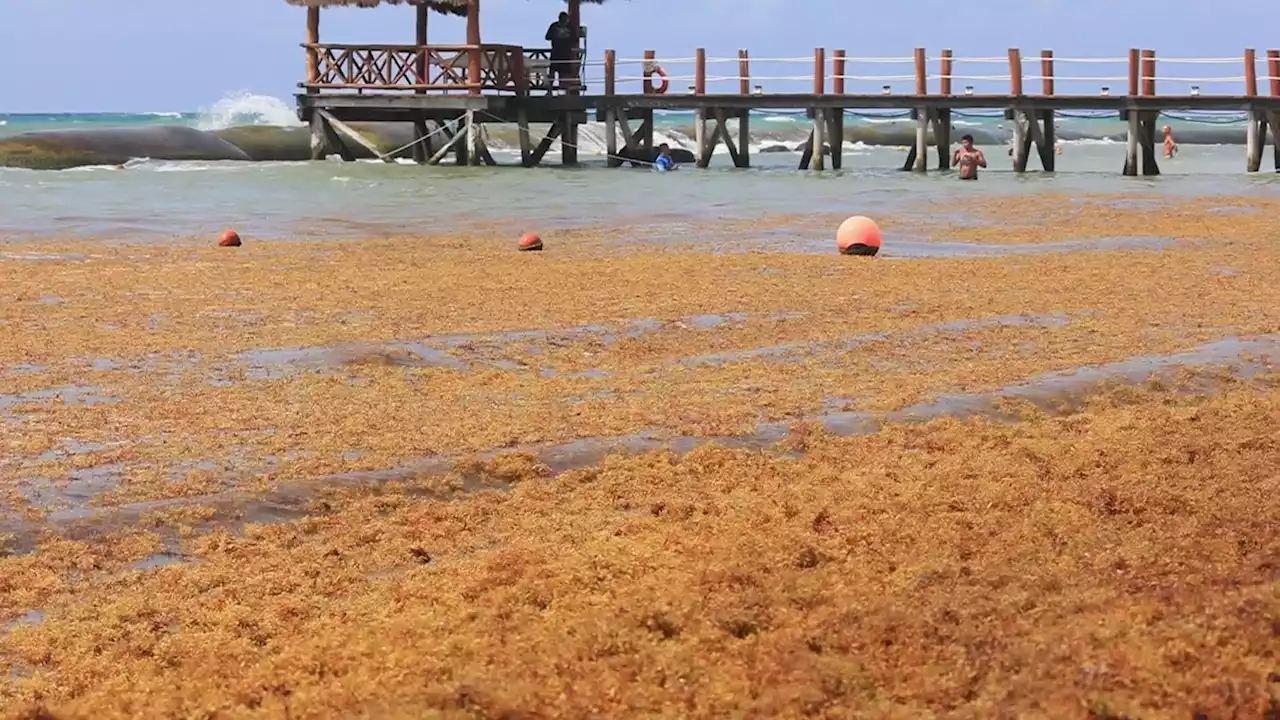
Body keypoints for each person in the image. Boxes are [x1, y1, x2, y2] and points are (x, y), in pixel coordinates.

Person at [545, 12, 576, 92]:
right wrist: (558, 36)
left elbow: (575, 39)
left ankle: (563, 91)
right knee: (552, 72)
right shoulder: (554, 26)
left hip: (565, 53)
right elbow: (547, 37)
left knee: (564, 73)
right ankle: (550, 90)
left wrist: (566, 37)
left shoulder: (570, 27)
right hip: (556, 51)